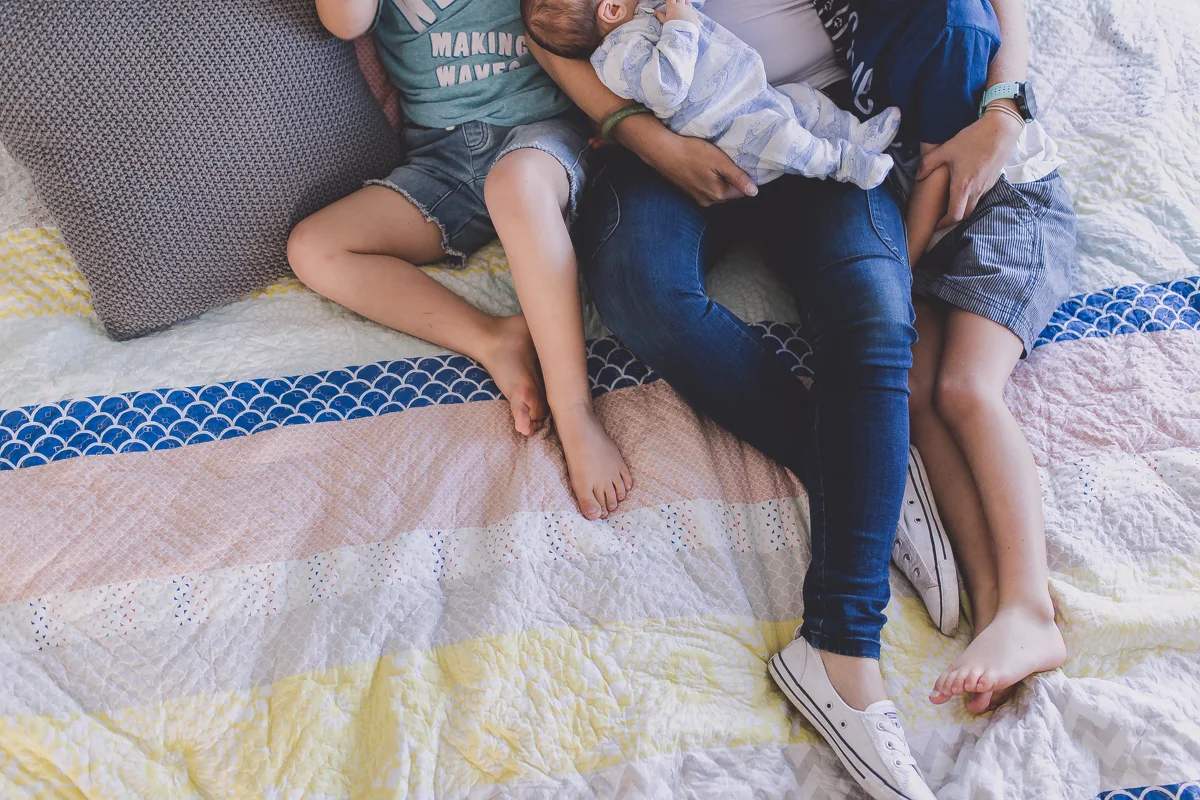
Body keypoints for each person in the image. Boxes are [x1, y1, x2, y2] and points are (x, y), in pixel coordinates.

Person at [529, 0, 1040, 796]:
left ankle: (838, 647)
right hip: (667, 126)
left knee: (875, 314)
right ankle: (865, 479)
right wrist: (651, 141)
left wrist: (1007, 104)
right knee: (643, 293)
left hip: (815, 123)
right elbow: (546, 37)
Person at [288, 0, 633, 522]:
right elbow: (344, 22)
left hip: (539, 135)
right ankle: (492, 339)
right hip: (443, 159)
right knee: (314, 248)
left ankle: (575, 411)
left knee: (516, 187)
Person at [844, 0, 1075, 714]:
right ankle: (989, 605)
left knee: (965, 389)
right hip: (942, 204)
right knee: (914, 393)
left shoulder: (948, 24)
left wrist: (895, 284)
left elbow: (945, 179)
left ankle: (1030, 607)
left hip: (1007, 207)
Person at [521, 0, 900, 189]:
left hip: (756, 93)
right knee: (790, 139)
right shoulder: (619, 55)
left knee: (808, 103)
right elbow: (666, 89)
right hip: (730, 133)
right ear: (611, 8)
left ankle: (857, 134)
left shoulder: (641, 14)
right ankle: (846, 164)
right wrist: (681, 25)